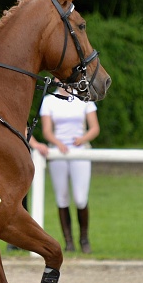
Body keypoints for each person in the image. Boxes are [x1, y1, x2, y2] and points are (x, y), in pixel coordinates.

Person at [39, 82, 100, 254]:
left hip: (79, 151)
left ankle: (84, 239)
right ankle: (68, 242)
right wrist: (57, 143)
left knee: (80, 198)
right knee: (62, 197)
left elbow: (94, 127)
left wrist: (83, 138)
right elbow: (47, 131)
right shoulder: (49, 101)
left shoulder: (84, 98)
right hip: (59, 152)